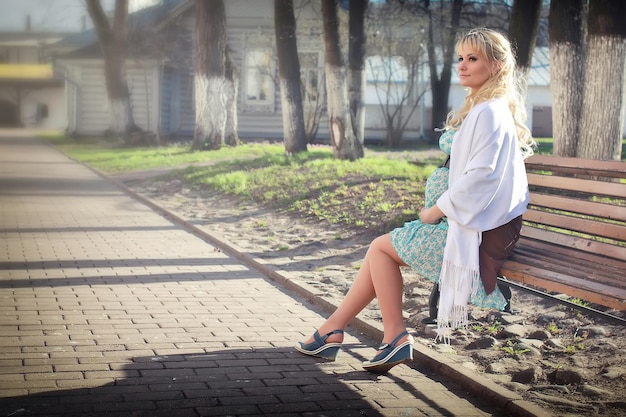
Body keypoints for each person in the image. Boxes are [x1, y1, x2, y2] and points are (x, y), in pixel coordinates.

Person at [295, 27, 536, 374]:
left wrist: (435, 211)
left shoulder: (489, 112)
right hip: (457, 225)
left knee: (380, 249)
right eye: (461, 59)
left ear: (496, 65)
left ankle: (386, 335)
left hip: (469, 234)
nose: (463, 66)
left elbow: (482, 178)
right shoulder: (485, 107)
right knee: (379, 251)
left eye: (473, 59)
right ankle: (336, 330)